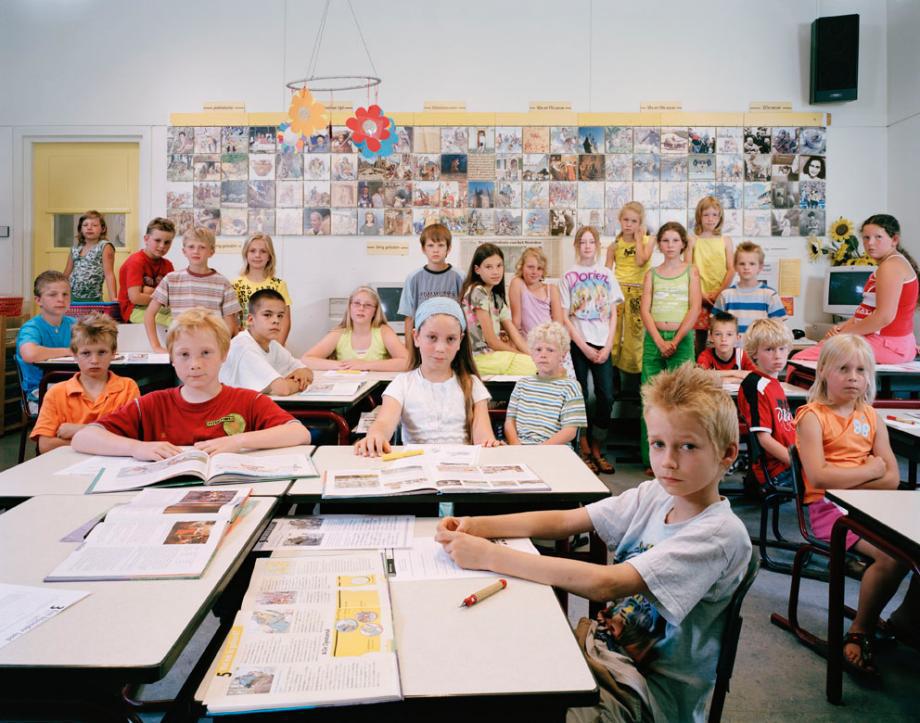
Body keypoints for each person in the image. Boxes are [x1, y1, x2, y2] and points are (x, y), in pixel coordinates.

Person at [436, 364, 751, 723]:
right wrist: (477, 525)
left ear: (727, 454)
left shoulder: (719, 534)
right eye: (658, 444)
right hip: (601, 653)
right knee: (490, 662)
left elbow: (607, 583)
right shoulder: (655, 495)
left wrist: (490, 555)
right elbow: (567, 520)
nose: (668, 461)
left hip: (644, 694)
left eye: (688, 446)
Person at [794, 334, 907, 680]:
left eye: (861, 370)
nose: (854, 377)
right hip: (828, 512)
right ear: (824, 371)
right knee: (892, 558)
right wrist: (869, 470)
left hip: (867, 505)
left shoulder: (871, 417)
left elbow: (892, 478)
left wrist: (856, 477)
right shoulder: (812, 417)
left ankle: (907, 622)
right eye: (844, 369)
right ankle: (860, 631)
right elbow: (819, 476)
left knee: (913, 544)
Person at [73, 309, 309, 459]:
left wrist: (239, 441)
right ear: (171, 358)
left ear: (223, 354)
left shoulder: (248, 400)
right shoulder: (152, 403)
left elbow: (299, 433)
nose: (195, 364)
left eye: (206, 353)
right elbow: (83, 438)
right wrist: (136, 448)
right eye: (184, 355)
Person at [355, 298, 499, 455]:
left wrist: (489, 444)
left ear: (460, 341)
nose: (440, 348)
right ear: (416, 337)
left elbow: (483, 437)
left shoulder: (472, 384)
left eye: (450, 339)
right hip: (417, 469)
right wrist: (375, 435)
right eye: (432, 337)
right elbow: (383, 422)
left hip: (460, 468)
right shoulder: (402, 383)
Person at [793, 214, 919, 364]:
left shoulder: (891, 267)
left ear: (894, 240)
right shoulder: (890, 264)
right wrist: (842, 327)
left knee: (799, 359)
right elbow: (867, 311)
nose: (870, 243)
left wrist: (845, 334)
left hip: (888, 344)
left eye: (878, 237)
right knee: (819, 348)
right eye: (866, 238)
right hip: (886, 342)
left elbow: (884, 317)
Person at [561, 226, 623, 474]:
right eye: (582, 242)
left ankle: (598, 444)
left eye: (591, 242)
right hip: (579, 344)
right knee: (582, 396)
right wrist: (584, 347)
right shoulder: (569, 275)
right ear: (576, 246)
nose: (587, 246)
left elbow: (614, 313)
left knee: (606, 395)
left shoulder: (607, 274)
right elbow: (565, 317)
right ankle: (583, 445)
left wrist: (608, 345)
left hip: (603, 343)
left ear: (598, 245)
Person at [639, 221, 701, 470]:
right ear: (659, 245)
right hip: (654, 339)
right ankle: (651, 460)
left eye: (676, 240)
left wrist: (674, 340)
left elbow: (695, 308)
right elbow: (645, 309)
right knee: (650, 400)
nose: (670, 245)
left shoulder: (691, 271)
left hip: (682, 339)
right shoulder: (651, 274)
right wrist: (659, 340)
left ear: (683, 243)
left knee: (682, 399)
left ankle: (680, 458)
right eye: (665, 240)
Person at [31, 314, 139, 453]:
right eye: (86, 353)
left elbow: (132, 437)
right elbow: (45, 445)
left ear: (113, 353)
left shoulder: (128, 388)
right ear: (74, 355)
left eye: (102, 352)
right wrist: (108, 439)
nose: (94, 360)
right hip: (66, 467)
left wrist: (78, 430)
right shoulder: (56, 393)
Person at [143, 226, 240, 353]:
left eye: (202, 247)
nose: (196, 251)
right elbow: (149, 314)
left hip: (210, 349)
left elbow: (230, 325)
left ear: (211, 252)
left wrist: (220, 349)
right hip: (181, 348)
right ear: (184, 251)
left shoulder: (223, 283)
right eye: (191, 247)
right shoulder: (171, 280)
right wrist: (156, 346)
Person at [503, 321, 586, 445]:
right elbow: (510, 422)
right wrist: (516, 446)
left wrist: (540, 450)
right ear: (531, 354)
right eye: (538, 349)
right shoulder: (522, 384)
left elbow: (570, 431)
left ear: (563, 355)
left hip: (553, 449)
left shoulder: (571, 387)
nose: (543, 354)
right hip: (520, 448)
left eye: (550, 350)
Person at [460, 243, 537, 376]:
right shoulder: (477, 292)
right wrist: (521, 356)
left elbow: (515, 335)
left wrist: (530, 354)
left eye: (499, 266)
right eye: (488, 267)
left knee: (537, 362)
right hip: (477, 358)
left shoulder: (496, 298)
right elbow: (491, 341)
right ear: (477, 270)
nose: (495, 272)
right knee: (533, 366)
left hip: (492, 357)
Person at [220, 289, 313, 396]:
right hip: (230, 410)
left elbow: (307, 370)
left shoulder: (272, 345)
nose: (276, 320)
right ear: (250, 320)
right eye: (267, 315)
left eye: (280, 316)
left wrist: (301, 373)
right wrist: (300, 383)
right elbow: (283, 390)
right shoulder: (244, 347)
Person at [736, 318, 795, 487]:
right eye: (769, 349)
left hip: (789, 461)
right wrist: (799, 463)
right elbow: (764, 439)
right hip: (778, 471)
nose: (777, 356)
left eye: (782, 349)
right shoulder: (756, 385)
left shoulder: (774, 384)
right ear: (754, 353)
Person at [301, 286, 409, 372]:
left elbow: (406, 362)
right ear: (350, 307)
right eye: (357, 303)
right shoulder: (339, 333)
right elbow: (306, 360)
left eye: (367, 305)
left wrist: (365, 365)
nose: (361, 308)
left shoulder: (384, 331)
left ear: (375, 311)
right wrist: (342, 365)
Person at [604, 201, 655, 377]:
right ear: (620, 220)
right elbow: (606, 272)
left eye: (634, 221)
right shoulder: (614, 245)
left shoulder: (649, 241)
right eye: (626, 220)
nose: (629, 224)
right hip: (617, 293)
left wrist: (639, 239)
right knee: (614, 332)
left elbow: (641, 260)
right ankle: (613, 373)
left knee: (635, 334)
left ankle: (635, 375)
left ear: (640, 224)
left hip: (638, 292)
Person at [397, 223, 464, 353]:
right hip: (424, 343)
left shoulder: (460, 277)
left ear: (448, 249)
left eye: (440, 245)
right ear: (423, 249)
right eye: (430, 245)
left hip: (451, 343)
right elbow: (409, 318)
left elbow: (466, 315)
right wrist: (410, 352)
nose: (435, 250)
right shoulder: (413, 278)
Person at [16, 271, 77, 406]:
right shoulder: (32, 328)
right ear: (38, 300)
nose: (61, 299)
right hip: (40, 392)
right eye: (53, 294)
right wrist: (69, 351)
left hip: (73, 386)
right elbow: (30, 354)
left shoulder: (75, 324)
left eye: (65, 294)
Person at [688, 196, 734, 355]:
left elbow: (731, 269)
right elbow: (687, 269)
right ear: (699, 216)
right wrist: (699, 294)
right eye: (706, 214)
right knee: (698, 340)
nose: (710, 219)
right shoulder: (692, 240)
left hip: (720, 297)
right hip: (698, 297)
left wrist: (720, 291)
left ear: (720, 217)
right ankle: (698, 370)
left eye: (714, 214)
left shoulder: (726, 241)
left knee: (722, 336)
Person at [712, 241, 786, 334]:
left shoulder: (770, 295)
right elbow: (715, 325)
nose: (746, 267)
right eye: (742, 264)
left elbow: (778, 329)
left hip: (759, 348)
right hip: (734, 348)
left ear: (760, 267)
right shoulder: (726, 296)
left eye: (752, 264)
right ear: (735, 266)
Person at [232, 234, 292, 344]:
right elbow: (233, 321)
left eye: (263, 251)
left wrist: (277, 348)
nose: (257, 255)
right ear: (246, 254)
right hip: (244, 344)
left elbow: (285, 321)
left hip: (271, 343)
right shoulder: (235, 284)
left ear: (269, 256)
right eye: (252, 251)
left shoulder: (279, 285)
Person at [118, 217, 175, 325]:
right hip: (134, 310)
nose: (162, 246)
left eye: (167, 242)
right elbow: (135, 298)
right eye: (157, 240)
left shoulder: (167, 265)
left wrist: (148, 291)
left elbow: (172, 296)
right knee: (173, 322)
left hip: (156, 306)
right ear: (146, 239)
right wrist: (160, 296)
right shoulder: (135, 262)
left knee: (185, 316)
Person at [63, 210, 117, 303]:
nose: (89, 228)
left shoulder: (105, 246)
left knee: (94, 318)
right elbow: (66, 274)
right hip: (72, 299)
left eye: (94, 225)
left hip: (93, 299)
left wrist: (113, 298)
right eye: (85, 225)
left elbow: (109, 274)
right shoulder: (75, 249)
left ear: (103, 229)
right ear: (80, 229)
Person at [696, 312, 756, 381]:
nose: (723, 339)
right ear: (710, 337)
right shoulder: (706, 356)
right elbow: (700, 375)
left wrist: (717, 377)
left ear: (737, 337)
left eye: (729, 334)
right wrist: (735, 373)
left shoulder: (743, 355)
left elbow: (756, 375)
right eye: (718, 334)